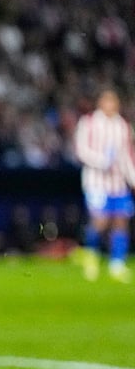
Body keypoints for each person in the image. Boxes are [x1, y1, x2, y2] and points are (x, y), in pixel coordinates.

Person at [73, 88, 135, 283]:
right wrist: (101, 161)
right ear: (100, 103)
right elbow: (80, 150)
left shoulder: (123, 126)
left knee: (121, 221)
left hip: (118, 184)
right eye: (107, 101)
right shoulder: (88, 123)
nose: (110, 105)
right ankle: (91, 255)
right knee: (99, 221)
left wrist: (132, 179)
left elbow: (127, 156)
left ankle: (116, 263)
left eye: (113, 101)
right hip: (96, 182)